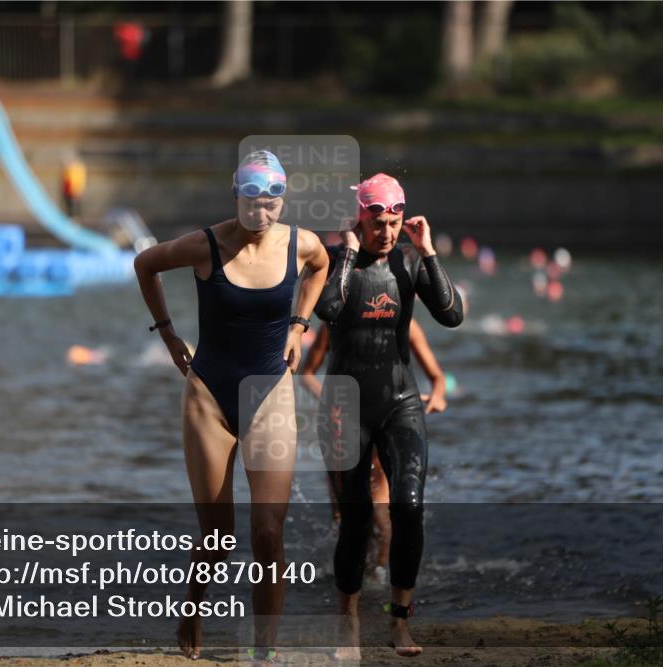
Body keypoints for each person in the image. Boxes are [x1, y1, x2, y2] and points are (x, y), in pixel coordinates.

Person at [133, 150, 329, 663]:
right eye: (251, 202)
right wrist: (168, 334)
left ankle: (264, 652)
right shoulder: (206, 245)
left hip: (272, 394)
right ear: (235, 197)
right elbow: (145, 263)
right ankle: (192, 611)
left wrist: (298, 324)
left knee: (268, 533)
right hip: (208, 397)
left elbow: (321, 266)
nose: (261, 215)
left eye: (270, 203)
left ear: (282, 200)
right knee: (217, 541)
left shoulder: (300, 243)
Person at [314, 173, 463, 658]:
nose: (388, 231)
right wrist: (351, 252)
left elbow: (451, 315)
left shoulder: (410, 264)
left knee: (409, 507)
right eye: (378, 221)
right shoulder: (337, 262)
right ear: (360, 218)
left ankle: (399, 622)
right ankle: (348, 623)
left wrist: (429, 253)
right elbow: (329, 309)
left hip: (400, 401)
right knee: (356, 520)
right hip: (344, 405)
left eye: (395, 221)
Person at [299, 320, 449, 581]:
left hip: (385, 420)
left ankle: (376, 574)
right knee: (343, 514)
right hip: (340, 426)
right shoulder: (334, 323)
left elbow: (437, 377)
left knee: (381, 512)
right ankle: (352, 575)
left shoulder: (407, 323)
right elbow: (307, 372)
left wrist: (437, 395)